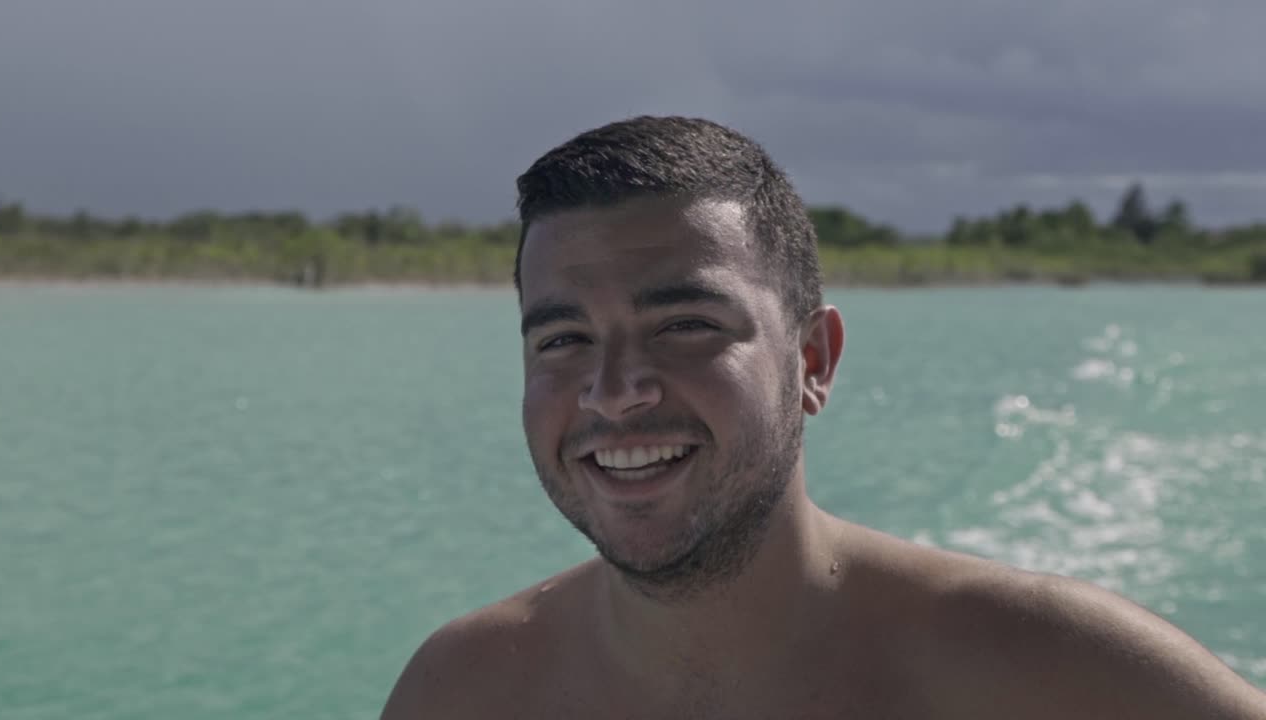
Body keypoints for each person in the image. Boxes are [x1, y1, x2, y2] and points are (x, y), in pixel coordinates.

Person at [382, 116, 1266, 719]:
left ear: (813, 361)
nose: (615, 391)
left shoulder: (1054, 670)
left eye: (685, 326)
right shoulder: (464, 691)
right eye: (563, 339)